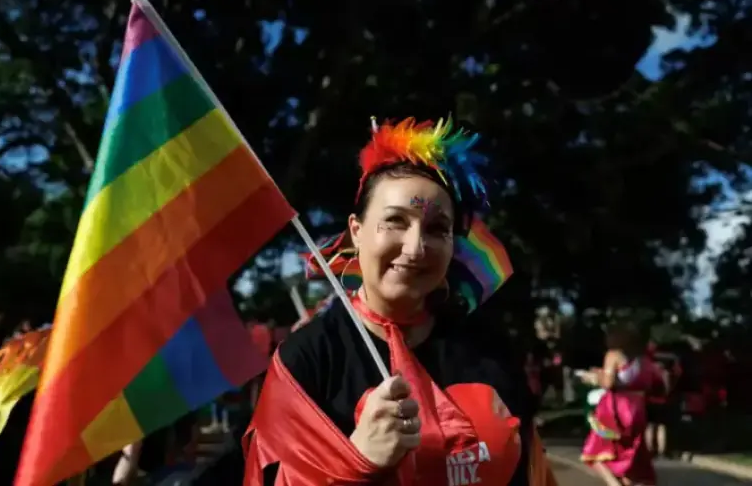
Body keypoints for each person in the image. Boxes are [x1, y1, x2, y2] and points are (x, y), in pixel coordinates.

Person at [243, 117, 557, 486]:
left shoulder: (490, 352)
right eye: (395, 221)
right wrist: (355, 461)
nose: (415, 248)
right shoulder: (306, 359)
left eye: (437, 229)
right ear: (356, 232)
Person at [579, 324, 660, 486]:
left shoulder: (613, 355)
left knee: (595, 451)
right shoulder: (643, 360)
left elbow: (609, 383)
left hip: (614, 409)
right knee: (628, 453)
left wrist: (592, 377)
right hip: (637, 409)